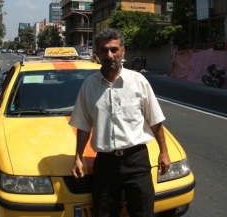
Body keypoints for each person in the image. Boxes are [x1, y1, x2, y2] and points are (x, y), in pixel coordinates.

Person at [69, 28, 171, 217]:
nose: (109, 55)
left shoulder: (138, 81)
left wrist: (164, 152)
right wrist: (78, 157)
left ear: (123, 51)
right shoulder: (89, 86)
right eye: (104, 50)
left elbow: (155, 120)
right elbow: (83, 125)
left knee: (143, 213)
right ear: (97, 53)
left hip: (137, 162)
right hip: (105, 165)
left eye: (114, 49)